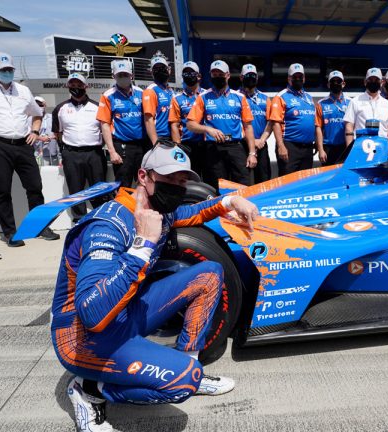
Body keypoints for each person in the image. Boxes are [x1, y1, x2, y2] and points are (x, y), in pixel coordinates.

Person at [53, 143, 258, 432]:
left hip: (124, 313)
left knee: (210, 273)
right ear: (144, 177)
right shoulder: (107, 224)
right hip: (82, 337)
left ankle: (189, 364)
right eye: (168, 179)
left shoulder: (157, 211)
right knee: (180, 383)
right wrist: (142, 246)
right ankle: (90, 390)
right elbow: (92, 313)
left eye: (182, 181)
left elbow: (194, 211)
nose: (176, 187)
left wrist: (230, 202)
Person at [0, 52, 59, 249]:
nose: (7, 73)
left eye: (9, 70)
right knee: (2, 190)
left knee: (35, 186)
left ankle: (40, 227)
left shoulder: (23, 91)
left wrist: (34, 131)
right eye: (2, 70)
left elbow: (37, 114)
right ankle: (10, 232)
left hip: (23, 144)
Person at [186, 60, 256, 189]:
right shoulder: (203, 97)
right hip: (213, 148)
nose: (217, 77)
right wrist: (208, 129)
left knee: (243, 185)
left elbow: (248, 126)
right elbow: (190, 124)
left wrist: (252, 153)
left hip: (235, 147)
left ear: (228, 75)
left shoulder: (239, 97)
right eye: (214, 74)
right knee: (215, 187)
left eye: (220, 74)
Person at [53, 73, 106, 223]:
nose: (76, 88)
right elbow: (57, 132)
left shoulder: (97, 107)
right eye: (72, 85)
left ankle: (100, 219)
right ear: (68, 86)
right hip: (71, 153)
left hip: (94, 153)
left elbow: (105, 130)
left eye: (79, 85)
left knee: (99, 188)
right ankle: (78, 221)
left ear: (86, 86)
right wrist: (64, 151)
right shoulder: (60, 108)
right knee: (75, 190)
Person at [97, 59, 145, 188]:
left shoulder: (142, 93)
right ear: (113, 76)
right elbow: (105, 124)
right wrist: (112, 151)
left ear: (132, 75)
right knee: (123, 185)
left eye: (126, 74)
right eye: (120, 75)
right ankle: (124, 208)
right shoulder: (108, 96)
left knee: (145, 183)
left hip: (142, 146)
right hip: (122, 147)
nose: (123, 77)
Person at [268, 63, 316, 176]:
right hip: (289, 146)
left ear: (304, 78)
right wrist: (281, 146)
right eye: (295, 77)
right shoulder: (280, 97)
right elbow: (275, 123)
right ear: (289, 78)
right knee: (287, 182)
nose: (298, 79)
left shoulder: (308, 97)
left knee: (305, 181)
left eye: (300, 77)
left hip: (308, 147)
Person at [169, 61, 207, 179]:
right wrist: (178, 147)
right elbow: (174, 125)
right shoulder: (177, 98)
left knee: (209, 177)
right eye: (185, 73)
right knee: (190, 179)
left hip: (207, 144)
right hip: (187, 145)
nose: (189, 75)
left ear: (199, 76)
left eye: (191, 73)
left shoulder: (207, 95)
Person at [343, 68, 388, 151]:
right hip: (360, 148)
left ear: (382, 82)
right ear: (365, 82)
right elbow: (349, 126)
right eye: (370, 79)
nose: (373, 82)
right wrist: (349, 150)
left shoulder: (387, 104)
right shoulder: (355, 102)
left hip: (382, 149)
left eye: (376, 80)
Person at [239, 63, 273, 183]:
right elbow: (236, 122)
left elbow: (270, 122)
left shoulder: (265, 98)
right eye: (247, 76)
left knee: (264, 179)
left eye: (253, 76)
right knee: (243, 179)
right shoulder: (236, 97)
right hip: (242, 144)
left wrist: (262, 140)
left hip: (261, 144)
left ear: (257, 78)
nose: (250, 78)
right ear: (241, 78)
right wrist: (251, 141)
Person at [315, 70, 351, 165]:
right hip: (328, 147)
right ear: (328, 84)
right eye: (333, 82)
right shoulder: (321, 103)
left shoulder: (351, 102)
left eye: (338, 81)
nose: (335, 84)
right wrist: (321, 150)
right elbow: (318, 127)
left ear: (343, 84)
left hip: (345, 146)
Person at [143, 56, 174, 145]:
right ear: (151, 72)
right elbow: (148, 119)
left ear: (169, 70)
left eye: (162, 68)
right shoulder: (150, 90)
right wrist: (155, 142)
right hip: (159, 138)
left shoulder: (170, 90)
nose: (160, 70)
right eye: (156, 69)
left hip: (171, 136)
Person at [33, 96, 60, 166]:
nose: (39, 107)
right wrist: (41, 138)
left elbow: (58, 131)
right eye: (36, 105)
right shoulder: (30, 119)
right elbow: (27, 135)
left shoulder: (52, 117)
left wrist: (55, 136)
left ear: (45, 105)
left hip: (54, 153)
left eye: (40, 105)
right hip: (40, 154)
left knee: (56, 175)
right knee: (43, 175)